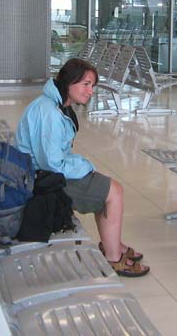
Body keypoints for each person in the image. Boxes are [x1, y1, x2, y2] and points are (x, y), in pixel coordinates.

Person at [16, 58, 149, 277]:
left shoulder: (53, 104)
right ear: (69, 82)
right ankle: (113, 257)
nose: (90, 91)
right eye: (86, 84)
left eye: (93, 86)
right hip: (42, 182)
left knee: (105, 187)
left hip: (41, 174)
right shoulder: (50, 113)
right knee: (114, 192)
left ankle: (112, 244)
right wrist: (85, 166)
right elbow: (53, 163)